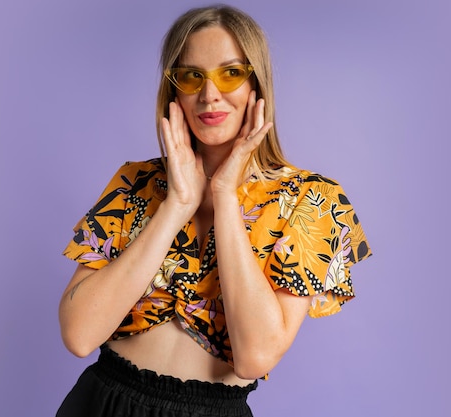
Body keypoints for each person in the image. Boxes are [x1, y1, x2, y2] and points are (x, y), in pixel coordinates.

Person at [56, 4, 371, 417]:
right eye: (192, 76)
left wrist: (224, 194)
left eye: (231, 73)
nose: (209, 95)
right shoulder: (136, 182)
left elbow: (255, 357)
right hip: (102, 401)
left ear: (257, 85)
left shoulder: (311, 201)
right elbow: (79, 336)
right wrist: (177, 205)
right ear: (174, 92)